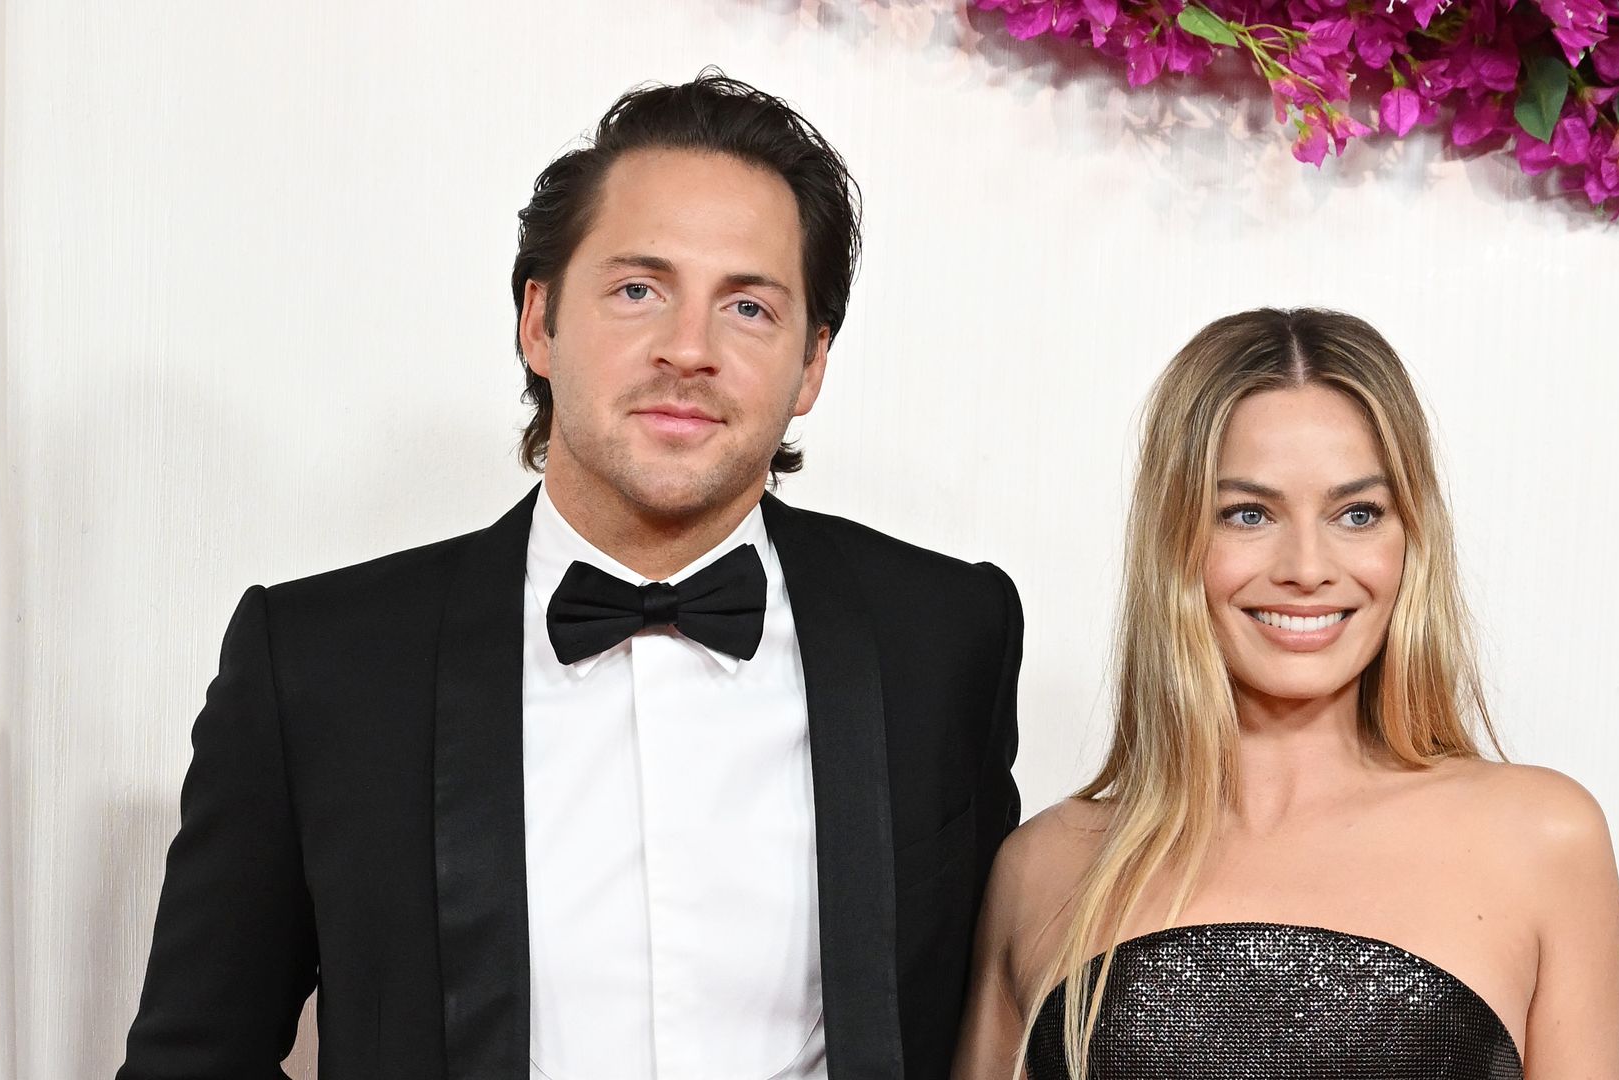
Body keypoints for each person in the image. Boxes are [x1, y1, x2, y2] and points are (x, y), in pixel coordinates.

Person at [119, 72, 1023, 1080]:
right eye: (639, 290)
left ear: (812, 364)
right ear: (539, 322)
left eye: (751, 309)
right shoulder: (320, 663)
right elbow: (192, 1061)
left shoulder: (947, 637)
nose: (690, 350)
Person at [953, 309, 1619, 1079]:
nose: (1307, 566)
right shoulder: (1046, 866)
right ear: (1176, 541)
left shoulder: (1543, 840)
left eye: (1357, 514)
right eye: (1249, 513)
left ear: (1411, 538)